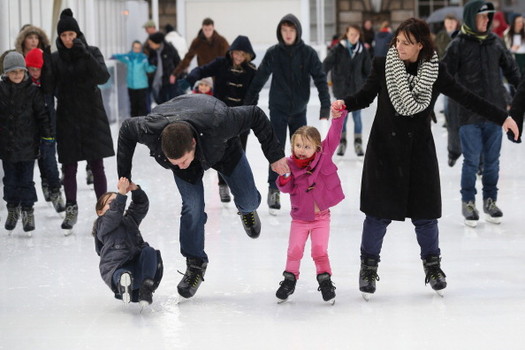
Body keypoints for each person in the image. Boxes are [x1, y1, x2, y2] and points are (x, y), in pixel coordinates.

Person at [331, 17, 519, 299]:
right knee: (377, 214)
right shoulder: (383, 65)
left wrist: (503, 117)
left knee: (426, 216)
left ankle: (433, 267)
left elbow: (466, 97)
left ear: (420, 45)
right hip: (385, 150)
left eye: (407, 42)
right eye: (398, 40)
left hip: (418, 152)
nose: (400, 46)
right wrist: (345, 103)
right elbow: (365, 96)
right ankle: (368, 268)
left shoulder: (435, 71)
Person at [117, 93, 289, 299]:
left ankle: (247, 210)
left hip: (222, 149)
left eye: (183, 160)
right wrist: (124, 176)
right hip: (182, 129)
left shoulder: (220, 121)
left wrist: (275, 156)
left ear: (192, 143)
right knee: (192, 208)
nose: (179, 164)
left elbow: (255, 114)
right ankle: (195, 265)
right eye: (175, 162)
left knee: (249, 199)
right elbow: (127, 129)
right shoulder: (150, 130)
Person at [442, 0, 521, 227]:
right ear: (470, 18)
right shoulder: (458, 45)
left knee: (493, 162)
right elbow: (443, 77)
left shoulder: (495, 42)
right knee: (471, 160)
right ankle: (468, 202)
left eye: (489, 16)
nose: (488, 20)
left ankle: (490, 201)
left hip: (495, 113)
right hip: (468, 114)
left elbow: (512, 72)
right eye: (482, 16)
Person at [244, 13, 331, 215]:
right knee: (275, 150)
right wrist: (247, 106)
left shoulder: (308, 53)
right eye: (284, 30)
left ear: (297, 32)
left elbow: (320, 78)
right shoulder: (274, 53)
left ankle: (301, 190)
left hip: (299, 111)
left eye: (291, 30)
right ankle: (274, 188)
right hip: (278, 109)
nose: (288, 34)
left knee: (302, 152)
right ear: (280, 32)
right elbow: (259, 79)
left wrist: (325, 106)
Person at [43, 8, 115, 231]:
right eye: (64, 35)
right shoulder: (55, 59)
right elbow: (48, 88)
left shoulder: (91, 51)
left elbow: (103, 76)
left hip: (92, 115)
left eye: (71, 35)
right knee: (69, 166)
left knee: (97, 165)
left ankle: (103, 211)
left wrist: (86, 55)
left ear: (77, 34)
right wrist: (45, 64)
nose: (67, 39)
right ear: (59, 37)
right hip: (68, 116)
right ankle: (71, 207)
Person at [274, 106, 346, 304]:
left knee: (319, 250)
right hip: (299, 218)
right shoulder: (289, 163)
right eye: (298, 146)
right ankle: (289, 279)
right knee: (294, 250)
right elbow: (285, 189)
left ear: (317, 147)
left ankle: (325, 280)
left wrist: (338, 118)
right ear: (292, 146)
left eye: (307, 147)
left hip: (321, 218)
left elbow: (334, 136)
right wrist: (285, 175)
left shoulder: (323, 158)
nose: (302, 150)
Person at [186, 35, 257, 203]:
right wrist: (191, 77)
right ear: (231, 52)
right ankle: (222, 184)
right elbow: (202, 70)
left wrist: (247, 112)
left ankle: (238, 188)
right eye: (235, 54)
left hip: (241, 118)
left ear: (247, 55)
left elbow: (254, 94)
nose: (238, 58)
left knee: (239, 154)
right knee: (220, 151)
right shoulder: (221, 64)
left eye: (242, 55)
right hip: (221, 116)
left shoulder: (252, 71)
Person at [0, 51, 52, 233]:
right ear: (6, 73)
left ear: (25, 72)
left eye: (20, 71)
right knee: (10, 180)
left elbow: (42, 116)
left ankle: (28, 210)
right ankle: (12, 208)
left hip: (28, 147)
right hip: (7, 147)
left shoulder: (32, 91)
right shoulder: (1, 90)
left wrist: (46, 137)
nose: (17, 75)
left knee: (27, 180)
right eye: (13, 72)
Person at [93, 177, 163, 306]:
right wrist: (121, 194)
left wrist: (135, 190)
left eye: (116, 201)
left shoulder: (129, 219)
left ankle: (146, 287)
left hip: (137, 266)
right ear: (100, 211)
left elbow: (140, 207)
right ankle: (123, 284)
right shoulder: (102, 224)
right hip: (116, 264)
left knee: (149, 251)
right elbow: (114, 214)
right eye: (110, 203)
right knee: (122, 273)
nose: (115, 204)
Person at [25, 48, 65, 213]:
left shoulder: (48, 82)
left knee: (49, 160)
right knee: (38, 160)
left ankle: (55, 190)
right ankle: (45, 183)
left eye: (37, 69)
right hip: (29, 131)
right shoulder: (25, 84)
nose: (34, 72)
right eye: (31, 69)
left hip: (48, 129)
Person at [323, 24, 372, 157]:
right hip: (341, 91)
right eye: (351, 34)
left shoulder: (362, 51)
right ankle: (342, 142)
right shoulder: (338, 49)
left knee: (357, 118)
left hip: (357, 91)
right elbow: (327, 63)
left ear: (359, 36)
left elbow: (368, 71)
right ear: (347, 34)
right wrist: (320, 77)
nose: (353, 37)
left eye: (356, 35)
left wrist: (368, 86)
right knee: (341, 119)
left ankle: (358, 142)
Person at [434, 14, 461, 167]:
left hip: (463, 80)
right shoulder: (440, 37)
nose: (450, 25)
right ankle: (453, 151)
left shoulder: (462, 36)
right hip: (447, 79)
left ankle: (477, 160)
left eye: (452, 22)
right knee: (451, 118)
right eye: (447, 22)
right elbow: (435, 54)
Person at [170, 17, 229, 82]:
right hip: (204, 77)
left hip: (219, 76)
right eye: (205, 29)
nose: (208, 32)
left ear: (213, 28)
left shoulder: (221, 41)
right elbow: (187, 58)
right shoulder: (197, 42)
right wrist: (175, 73)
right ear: (202, 28)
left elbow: (228, 58)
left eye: (210, 29)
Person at [112, 40, 157, 117]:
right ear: (132, 48)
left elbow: (147, 69)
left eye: (139, 48)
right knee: (133, 105)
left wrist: (154, 67)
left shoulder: (143, 58)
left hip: (142, 85)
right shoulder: (128, 58)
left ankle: (143, 123)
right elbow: (119, 56)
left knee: (142, 106)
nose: (137, 50)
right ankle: (133, 124)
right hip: (131, 86)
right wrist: (113, 56)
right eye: (135, 48)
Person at [146, 32, 181, 105]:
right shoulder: (151, 51)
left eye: (151, 43)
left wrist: (175, 75)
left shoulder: (169, 49)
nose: (150, 45)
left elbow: (178, 63)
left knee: (169, 102)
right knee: (159, 101)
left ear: (157, 43)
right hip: (156, 81)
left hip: (169, 81)